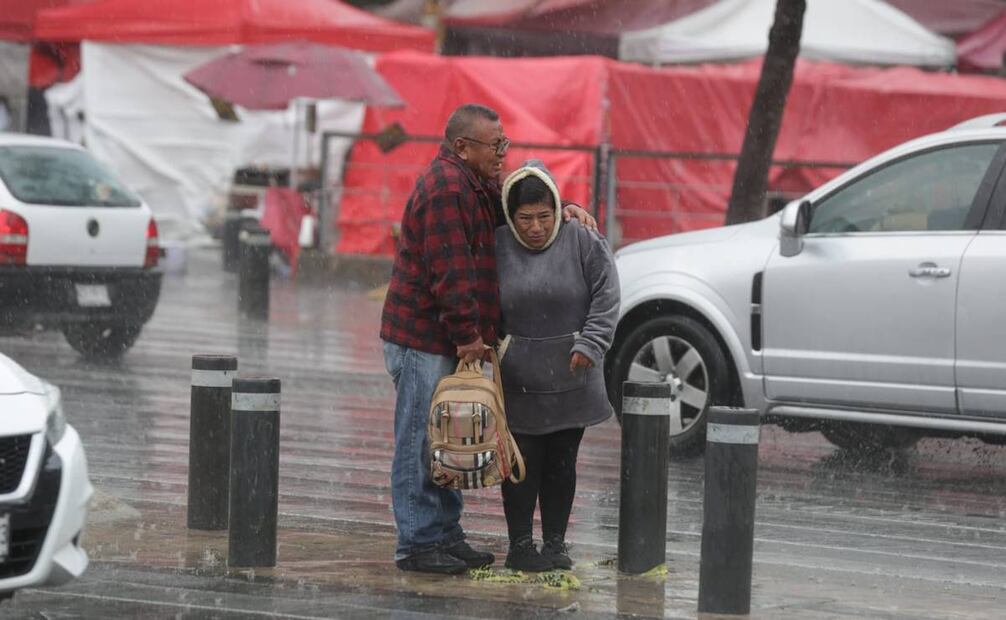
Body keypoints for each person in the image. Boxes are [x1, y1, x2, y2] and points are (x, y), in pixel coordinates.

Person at [379, 104, 597, 575]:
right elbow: (450, 272)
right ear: (463, 147)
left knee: (448, 437)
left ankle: (445, 533)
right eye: (495, 145)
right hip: (423, 340)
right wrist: (468, 337)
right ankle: (417, 543)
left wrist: (569, 207)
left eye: (504, 144)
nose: (503, 153)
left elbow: (521, 203)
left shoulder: (474, 184)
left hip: (442, 339)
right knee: (420, 441)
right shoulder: (446, 189)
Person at [495, 160, 619, 572]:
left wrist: (591, 343)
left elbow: (607, 294)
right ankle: (519, 546)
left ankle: (555, 544)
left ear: (558, 209)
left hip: (572, 375)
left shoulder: (582, 238)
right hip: (517, 379)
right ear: (510, 218)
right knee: (520, 463)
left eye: (545, 216)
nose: (535, 227)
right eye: (525, 218)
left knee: (563, 462)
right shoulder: (496, 245)